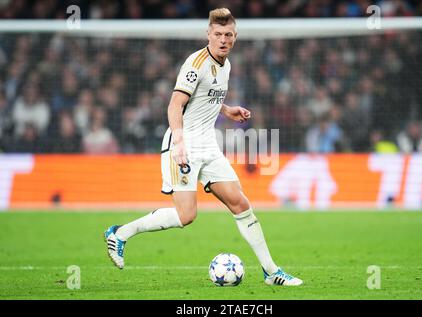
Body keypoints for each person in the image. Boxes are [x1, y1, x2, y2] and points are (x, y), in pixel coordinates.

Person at [104, 8, 302, 286]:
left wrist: (228, 109)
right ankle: (120, 233)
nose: (223, 40)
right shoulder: (195, 63)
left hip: (208, 145)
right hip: (182, 144)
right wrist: (180, 141)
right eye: (218, 34)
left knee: (241, 204)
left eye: (228, 35)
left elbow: (205, 98)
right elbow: (175, 104)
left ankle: (271, 271)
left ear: (235, 37)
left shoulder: (227, 65)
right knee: (187, 216)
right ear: (208, 34)